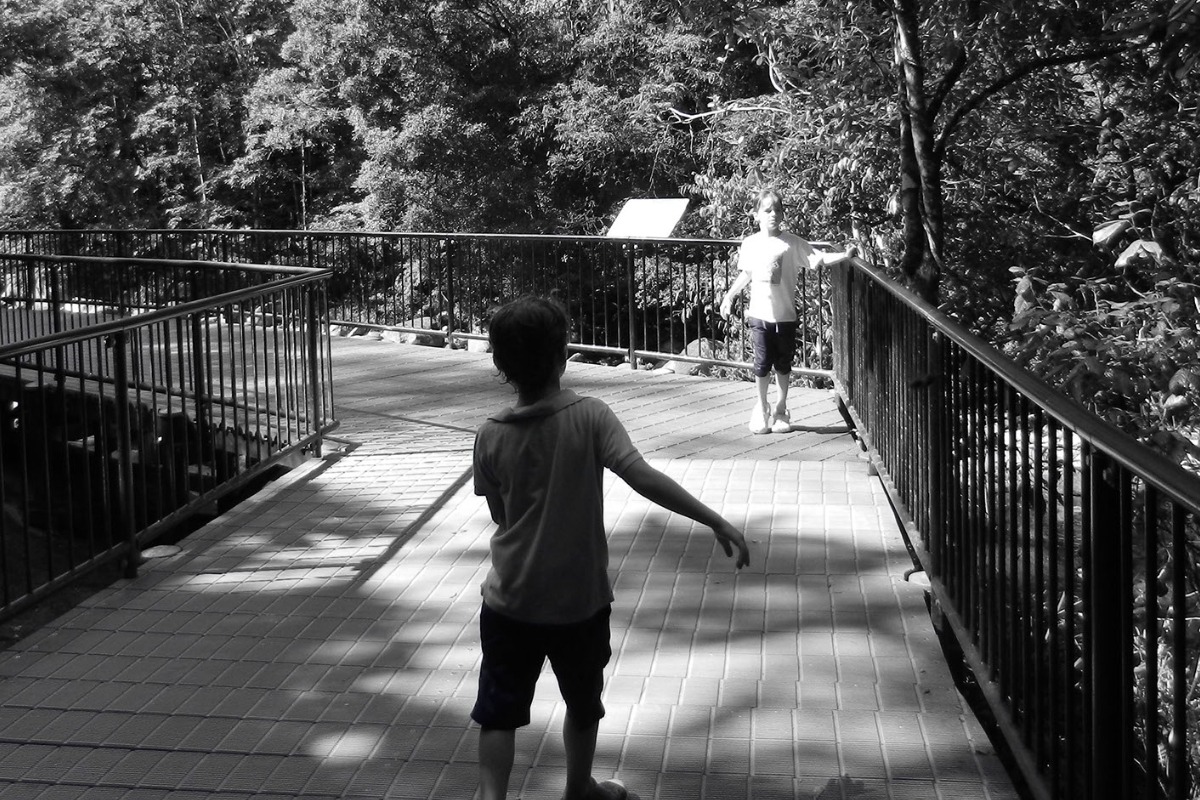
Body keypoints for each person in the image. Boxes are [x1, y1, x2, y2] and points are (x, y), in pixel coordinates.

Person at [471, 296, 751, 800]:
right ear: (562, 357)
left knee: (498, 712)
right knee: (583, 704)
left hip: (509, 601)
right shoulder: (592, 416)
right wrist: (713, 518)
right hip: (579, 603)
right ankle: (579, 790)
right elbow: (642, 476)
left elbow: (500, 515)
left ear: (500, 365)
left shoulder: (489, 435)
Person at [718, 189, 859, 434]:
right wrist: (729, 296)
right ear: (756, 215)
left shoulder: (792, 243)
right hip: (759, 314)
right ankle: (761, 407)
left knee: (783, 365)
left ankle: (781, 409)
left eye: (778, 210)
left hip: (785, 316)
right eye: (767, 210)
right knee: (761, 364)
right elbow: (747, 274)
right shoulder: (750, 243)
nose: (773, 214)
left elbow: (819, 258)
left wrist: (845, 256)